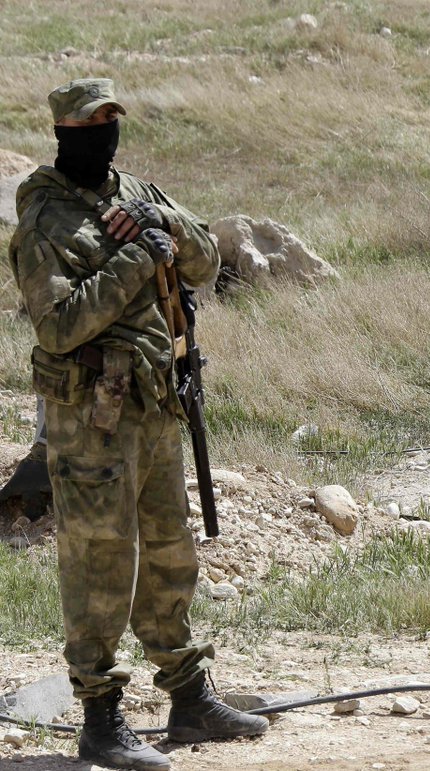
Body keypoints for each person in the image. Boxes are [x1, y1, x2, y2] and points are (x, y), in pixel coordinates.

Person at [7, 78, 267, 771]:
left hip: (155, 406)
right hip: (91, 416)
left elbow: (206, 260)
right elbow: (58, 325)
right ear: (65, 134)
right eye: (92, 127)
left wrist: (171, 234)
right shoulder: (44, 220)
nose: (105, 137)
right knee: (98, 565)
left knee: (168, 553)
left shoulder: (139, 194)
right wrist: (134, 258)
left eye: (112, 123)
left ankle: (187, 695)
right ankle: (100, 716)